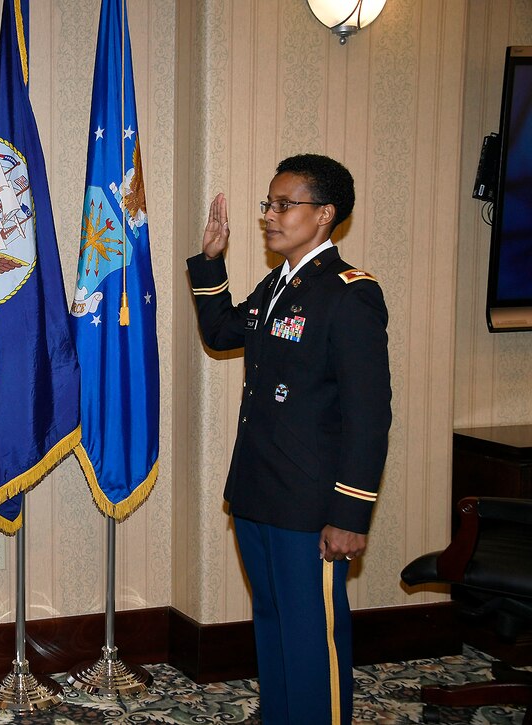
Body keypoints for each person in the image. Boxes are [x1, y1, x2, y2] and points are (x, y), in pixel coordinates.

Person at [186, 154, 391, 725]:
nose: (270, 216)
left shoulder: (349, 294)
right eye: (268, 205)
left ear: (324, 215)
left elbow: (369, 413)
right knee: (274, 624)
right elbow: (224, 331)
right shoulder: (279, 284)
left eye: (284, 204)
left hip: (311, 504)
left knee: (312, 638)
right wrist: (210, 263)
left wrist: (350, 512)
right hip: (259, 491)